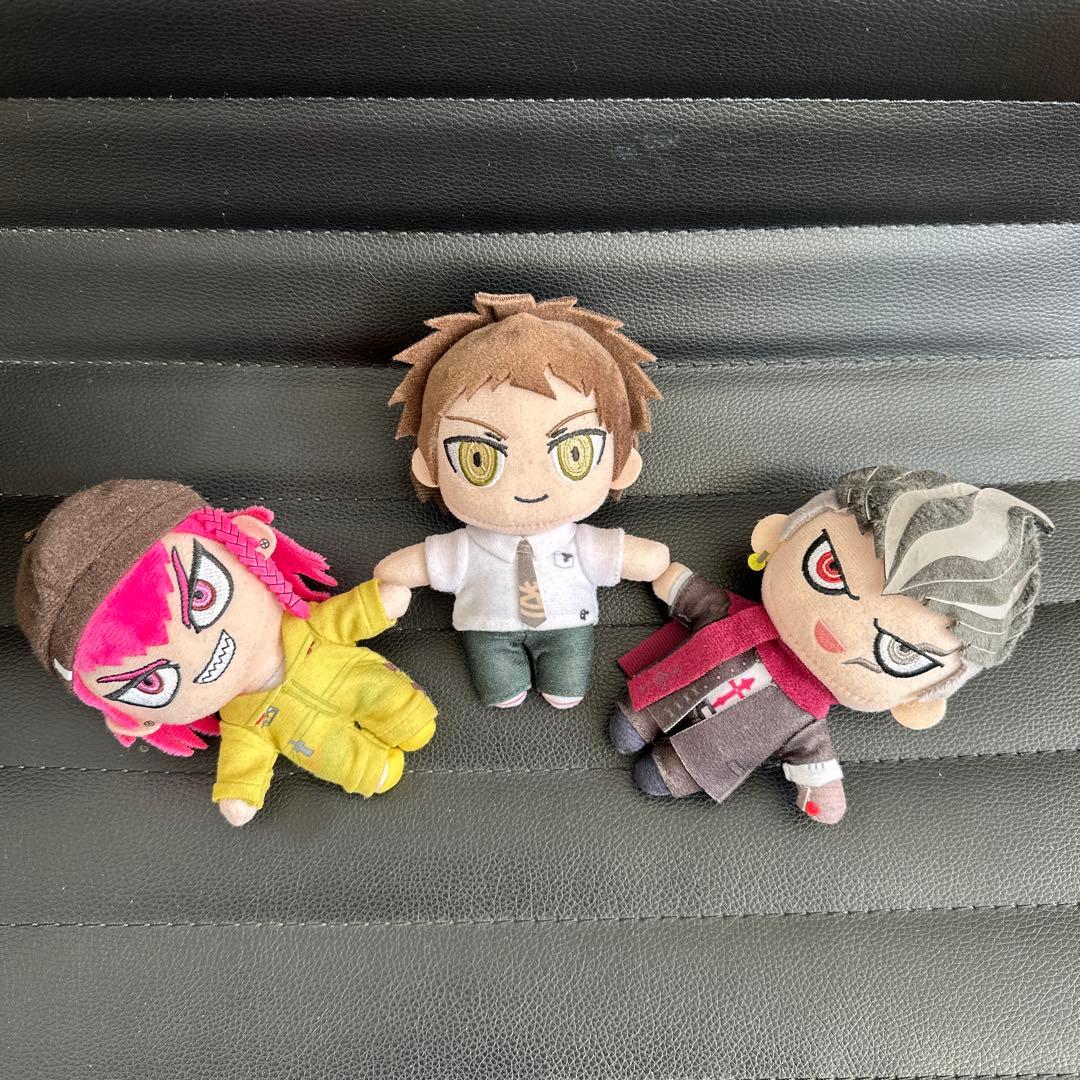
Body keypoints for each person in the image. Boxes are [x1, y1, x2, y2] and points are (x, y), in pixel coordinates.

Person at [610, 466, 1053, 824]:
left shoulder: (804, 718)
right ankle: (639, 719)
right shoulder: (737, 617)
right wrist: (678, 583)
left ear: (918, 701)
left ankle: (672, 767)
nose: (836, 629)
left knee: (662, 775)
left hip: (704, 758)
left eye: (900, 651)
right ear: (780, 536)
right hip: (659, 695)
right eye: (829, 569)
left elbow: (812, 753)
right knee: (628, 725)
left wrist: (820, 786)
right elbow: (703, 601)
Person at [17, 480, 436, 826]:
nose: (198, 656)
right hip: (311, 740)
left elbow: (341, 618)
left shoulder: (306, 626)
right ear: (132, 719)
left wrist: (377, 603)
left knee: (401, 710)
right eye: (150, 681)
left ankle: (407, 718)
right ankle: (369, 769)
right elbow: (244, 759)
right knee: (348, 761)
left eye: (201, 596)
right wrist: (240, 792)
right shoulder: (242, 723)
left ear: (249, 544)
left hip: (350, 674)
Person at [376, 291, 670, 710]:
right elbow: (406, 568)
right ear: (429, 467)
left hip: (569, 628)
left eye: (574, 453)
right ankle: (505, 686)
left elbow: (645, 560)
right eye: (478, 458)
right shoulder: (465, 547)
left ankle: (559, 683)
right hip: (486, 631)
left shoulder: (580, 542)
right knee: (501, 692)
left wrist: (649, 559)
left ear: (620, 465)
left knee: (567, 688)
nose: (528, 485)